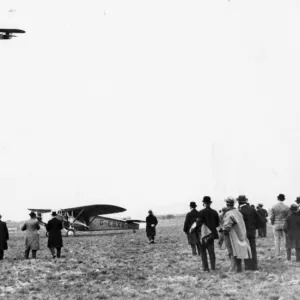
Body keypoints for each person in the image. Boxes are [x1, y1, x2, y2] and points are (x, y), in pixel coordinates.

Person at [223, 197, 252, 273]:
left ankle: (233, 270)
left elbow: (227, 227)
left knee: (232, 252)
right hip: (241, 235)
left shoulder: (228, 213)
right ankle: (239, 269)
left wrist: (223, 232)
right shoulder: (238, 212)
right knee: (238, 252)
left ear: (227, 204)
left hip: (232, 236)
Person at [237, 195, 264, 271]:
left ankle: (248, 267)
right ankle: (254, 267)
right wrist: (254, 227)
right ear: (245, 201)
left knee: (245, 249)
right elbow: (260, 220)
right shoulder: (252, 209)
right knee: (253, 249)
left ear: (238, 202)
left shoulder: (239, 211)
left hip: (243, 233)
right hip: (252, 232)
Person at [196, 196, 219, 271]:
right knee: (211, 252)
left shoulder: (201, 212)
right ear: (210, 203)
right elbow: (217, 224)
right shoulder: (214, 212)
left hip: (203, 235)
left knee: (203, 252)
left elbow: (198, 223)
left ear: (204, 203)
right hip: (211, 235)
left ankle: (205, 268)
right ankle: (213, 267)